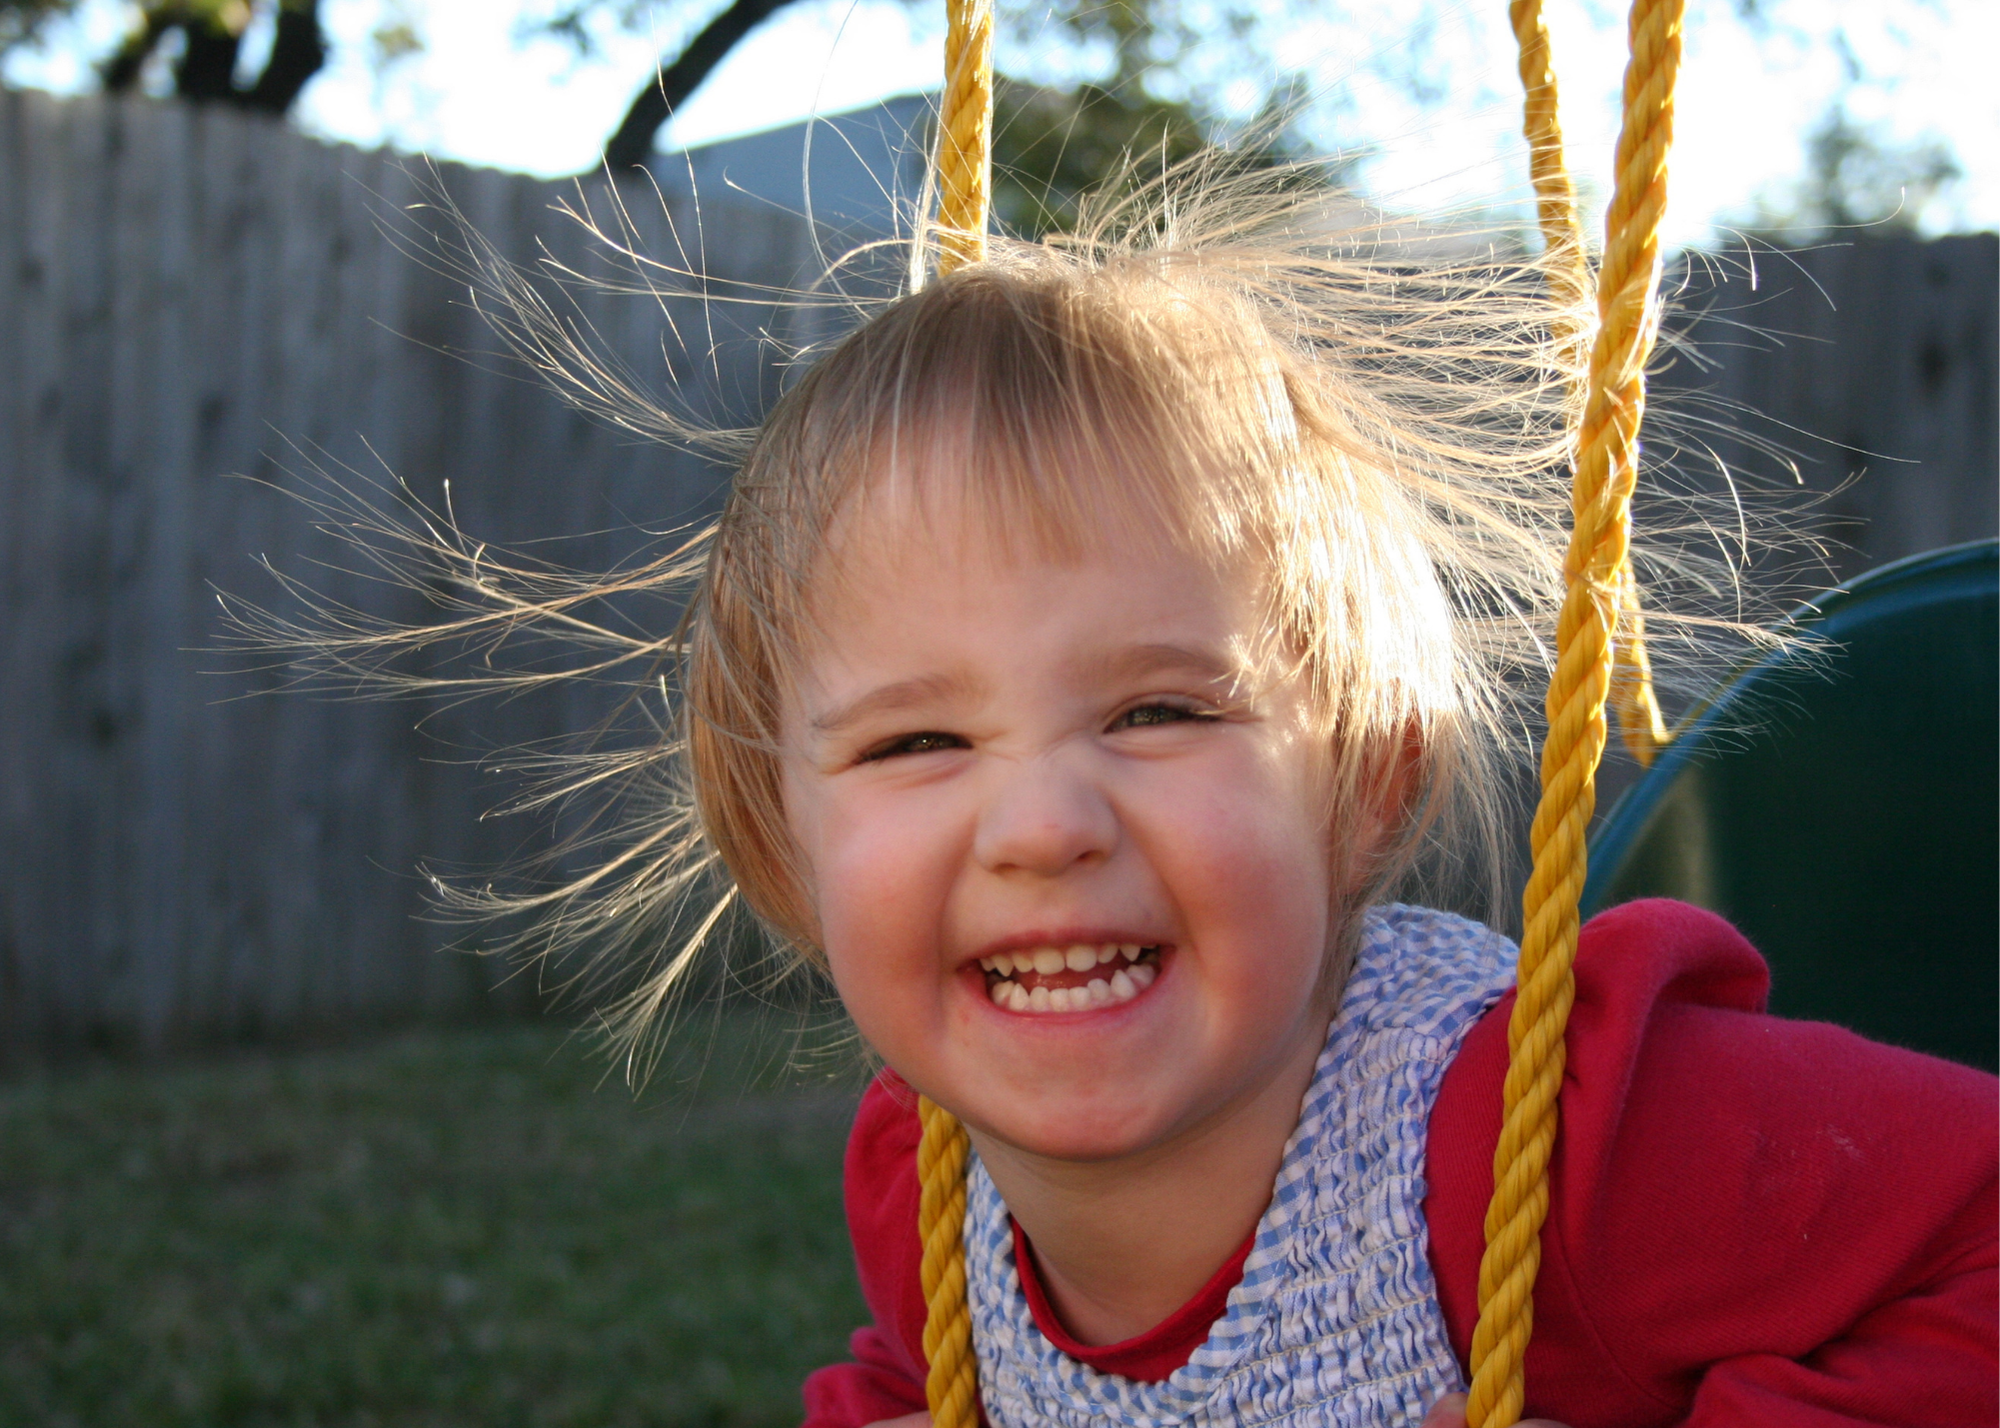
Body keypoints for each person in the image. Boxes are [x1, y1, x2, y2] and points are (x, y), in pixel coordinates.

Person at [261, 171, 1997, 1426]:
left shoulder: (1528, 1136)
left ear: (1364, 780)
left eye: (1159, 709)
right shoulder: (926, 1189)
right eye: (916, 744)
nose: (1041, 824)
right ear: (779, 846)